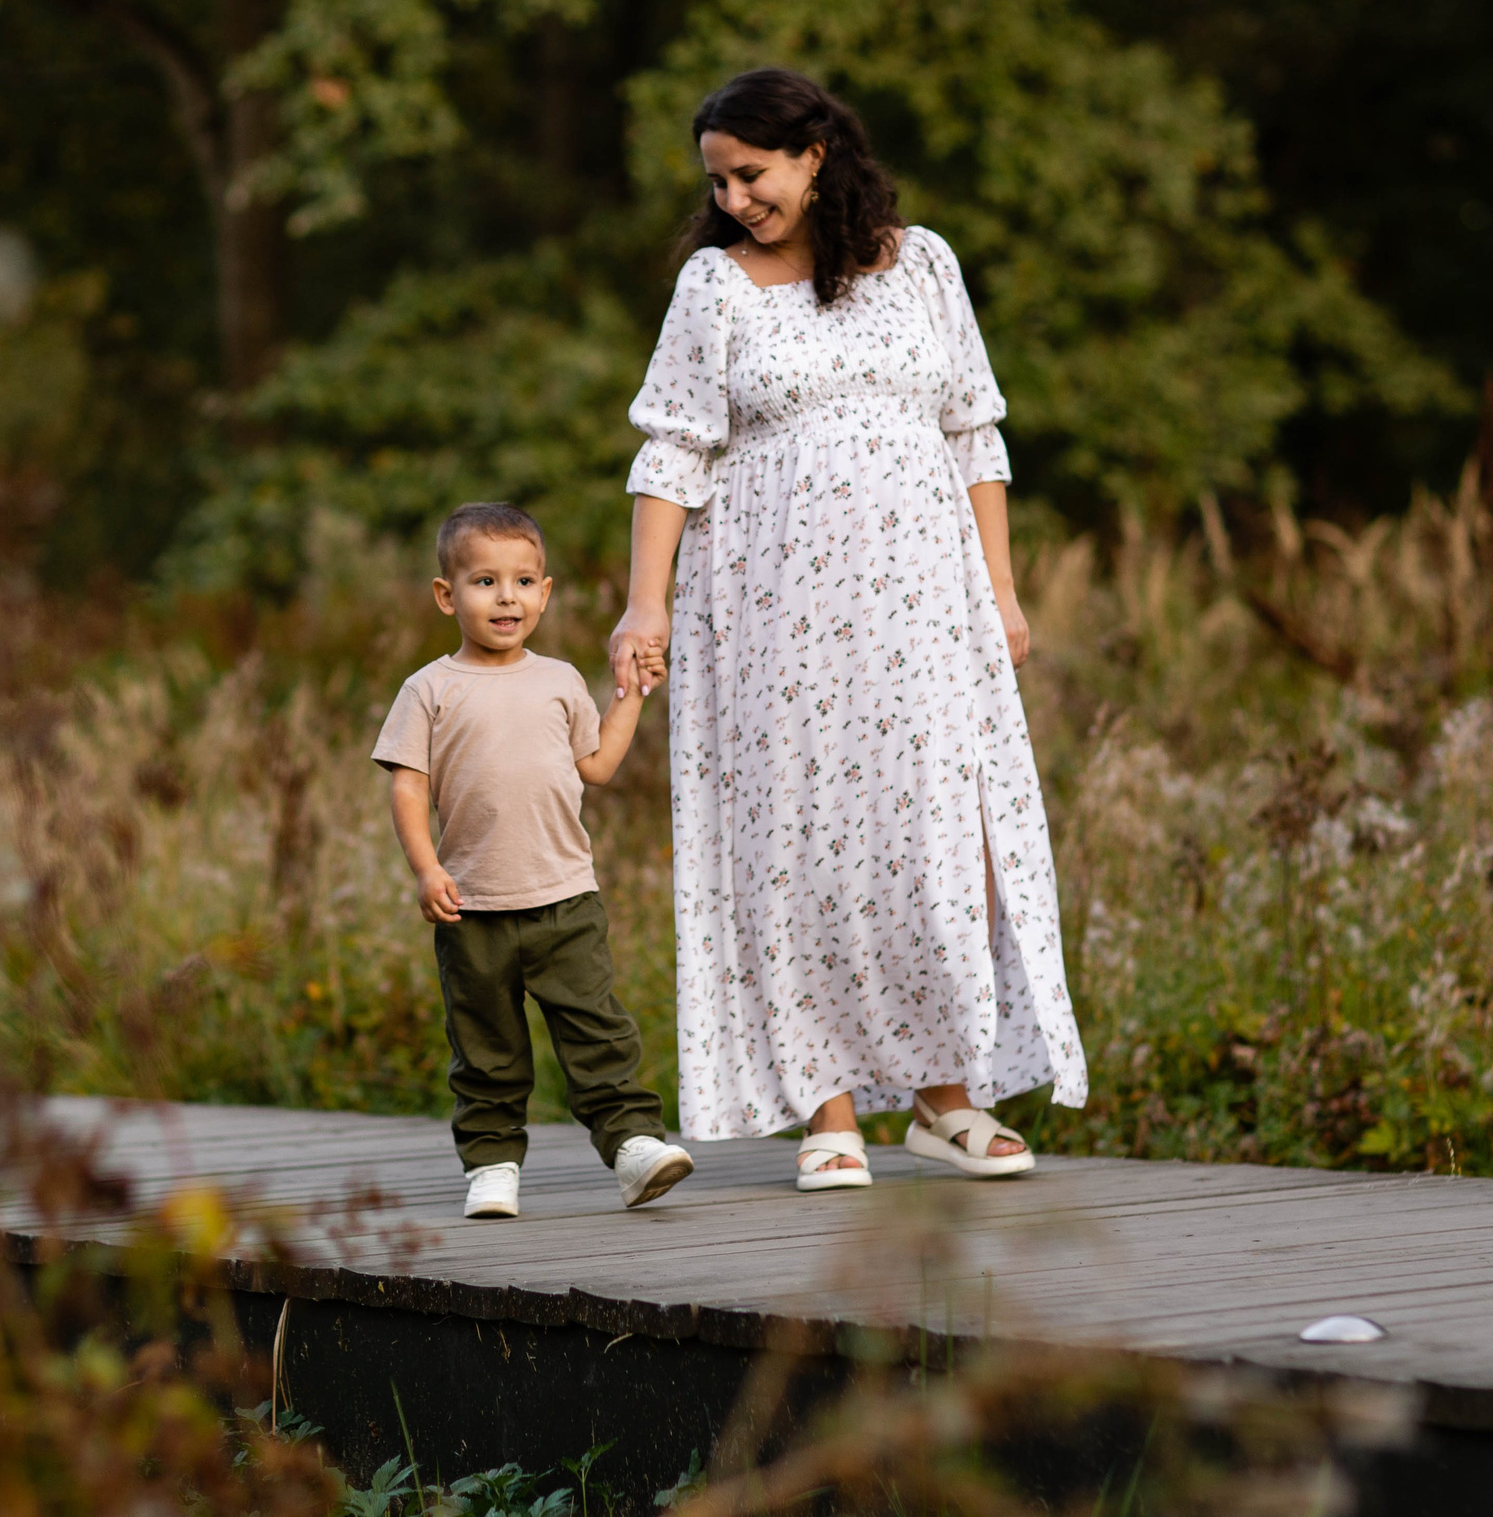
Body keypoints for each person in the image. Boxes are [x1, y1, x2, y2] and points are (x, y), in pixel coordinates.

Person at [609, 68, 1088, 1191]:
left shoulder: (920, 263)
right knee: (800, 839)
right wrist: (645, 600)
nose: (732, 197)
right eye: (717, 180)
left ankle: (944, 1099)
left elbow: (973, 430)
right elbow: (671, 451)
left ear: (815, 155)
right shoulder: (713, 289)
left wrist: (1002, 588)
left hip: (924, 602)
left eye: (751, 173)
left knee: (930, 838)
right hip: (770, 612)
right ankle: (826, 1106)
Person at [375, 502, 697, 1220]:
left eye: (522, 582)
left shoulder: (557, 681)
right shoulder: (429, 688)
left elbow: (600, 763)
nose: (506, 597)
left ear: (545, 593)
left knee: (597, 1027)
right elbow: (408, 785)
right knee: (486, 1044)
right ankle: (491, 1164)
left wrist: (633, 692)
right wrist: (427, 869)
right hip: (474, 907)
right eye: (485, 581)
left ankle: (634, 1146)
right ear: (446, 594)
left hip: (565, 899)